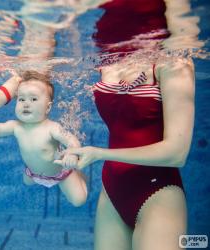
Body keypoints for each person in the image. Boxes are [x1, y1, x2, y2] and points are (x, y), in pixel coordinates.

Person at [59, 0, 197, 249]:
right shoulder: (107, 63)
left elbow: (178, 153)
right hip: (112, 192)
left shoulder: (174, 63)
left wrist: (99, 153)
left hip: (159, 192)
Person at [0, 71, 87, 206]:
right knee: (26, 182)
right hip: (33, 173)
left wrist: (72, 154)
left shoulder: (52, 128)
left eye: (33, 99)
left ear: (48, 107)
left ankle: (80, 176)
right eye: (21, 99)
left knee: (79, 200)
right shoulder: (16, 126)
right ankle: (35, 175)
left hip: (59, 173)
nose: (26, 104)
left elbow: (72, 140)